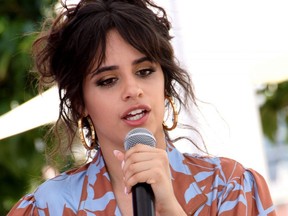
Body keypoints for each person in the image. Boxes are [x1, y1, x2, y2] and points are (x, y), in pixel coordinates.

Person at [8, 0, 276, 215]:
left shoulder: (229, 188)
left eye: (145, 71)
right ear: (80, 102)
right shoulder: (49, 208)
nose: (132, 90)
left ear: (165, 82)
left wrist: (170, 209)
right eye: (108, 80)